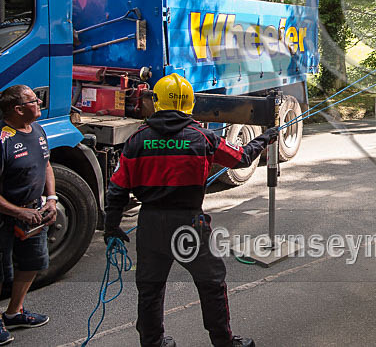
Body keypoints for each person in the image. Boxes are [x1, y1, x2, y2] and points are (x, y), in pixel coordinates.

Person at [104, 74, 278, 347]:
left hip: (150, 224)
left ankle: (153, 342)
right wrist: (265, 138)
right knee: (211, 284)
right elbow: (241, 159)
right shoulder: (203, 137)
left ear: (157, 102)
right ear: (190, 104)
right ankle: (224, 341)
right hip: (189, 224)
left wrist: (111, 227)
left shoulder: (136, 140)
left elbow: (117, 189)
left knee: (150, 288)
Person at [0, 85, 56, 345]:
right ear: (18, 109)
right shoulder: (3, 140)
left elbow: (46, 164)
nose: (40, 103)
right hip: (5, 215)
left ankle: (14, 313)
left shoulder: (37, 130)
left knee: (34, 262)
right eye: (34, 101)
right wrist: (17, 211)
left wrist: (52, 199)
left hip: (33, 213)